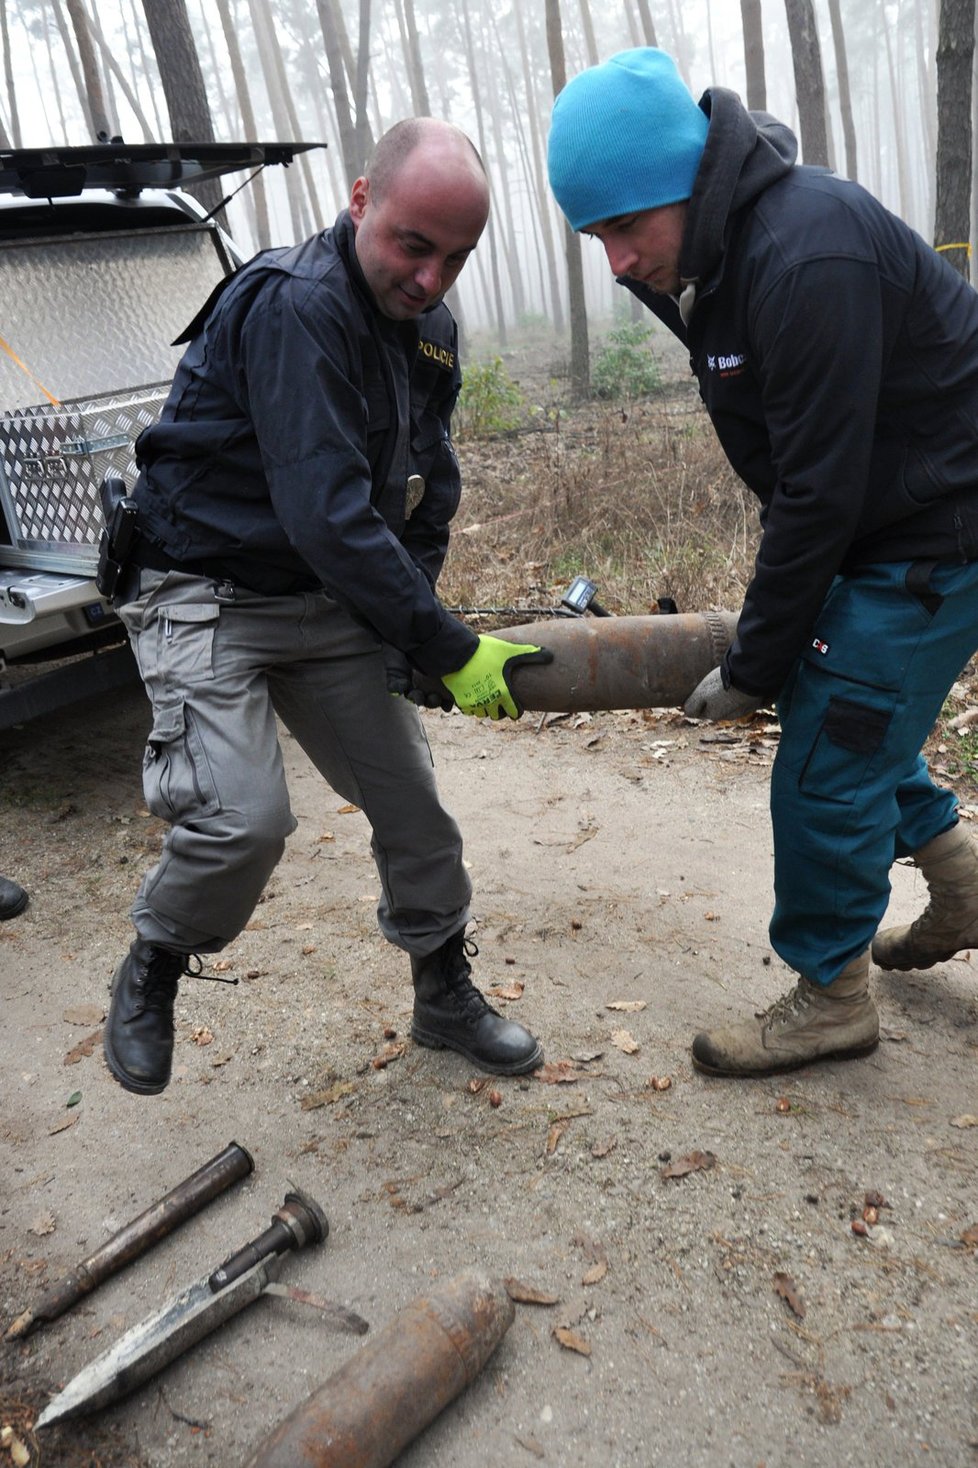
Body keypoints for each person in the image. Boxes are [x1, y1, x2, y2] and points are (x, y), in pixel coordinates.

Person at [547, 48, 978, 1077]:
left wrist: (752, 665)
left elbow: (816, 492)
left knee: (826, 756)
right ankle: (959, 878)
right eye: (592, 234)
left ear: (688, 182)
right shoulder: (716, 249)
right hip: (887, 520)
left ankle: (832, 997)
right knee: (842, 704)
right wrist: (782, 645)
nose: (613, 261)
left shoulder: (806, 255)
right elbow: (809, 476)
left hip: (937, 533)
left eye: (621, 226)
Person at [103, 117, 549, 1097]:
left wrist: (409, 624)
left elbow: (428, 484)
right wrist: (444, 644)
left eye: (457, 257)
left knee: (413, 805)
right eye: (412, 245)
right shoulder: (298, 308)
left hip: (321, 592)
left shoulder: (427, 328)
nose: (431, 277)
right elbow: (329, 515)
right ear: (360, 203)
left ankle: (442, 991)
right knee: (243, 820)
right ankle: (155, 965)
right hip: (201, 584)